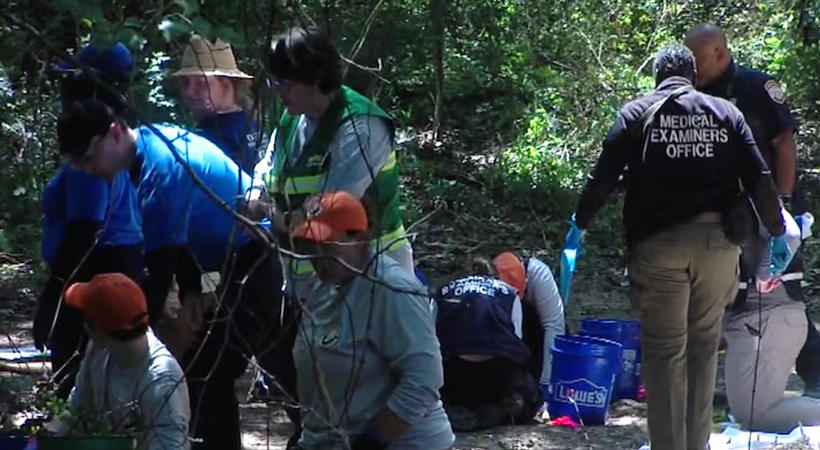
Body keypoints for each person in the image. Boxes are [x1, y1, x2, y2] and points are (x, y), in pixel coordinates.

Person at [563, 44, 790, 450]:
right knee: (703, 349)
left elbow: (602, 182)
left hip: (658, 248)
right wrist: (777, 232)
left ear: (656, 77)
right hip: (717, 247)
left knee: (665, 354)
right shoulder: (726, 113)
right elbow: (759, 178)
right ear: (694, 76)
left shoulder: (635, 113)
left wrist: (578, 226)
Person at [55, 98, 288, 450]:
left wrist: (141, 342)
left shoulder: (159, 169)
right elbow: (180, 241)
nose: (87, 170)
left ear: (115, 133)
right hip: (225, 262)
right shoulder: (148, 149)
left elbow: (160, 270)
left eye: (89, 158)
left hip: (254, 258)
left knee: (209, 374)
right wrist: (193, 294)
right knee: (205, 372)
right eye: (78, 164)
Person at [684, 24, 820, 398]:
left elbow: (784, 143)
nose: (692, 70)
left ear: (719, 53)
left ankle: (815, 369)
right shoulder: (692, 95)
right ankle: (721, 382)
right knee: (724, 293)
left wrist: (783, 205)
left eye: (697, 61)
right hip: (723, 211)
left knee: (780, 291)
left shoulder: (758, 88)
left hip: (768, 206)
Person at [245, 25, 415, 303]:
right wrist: (254, 195)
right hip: (310, 283)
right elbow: (266, 168)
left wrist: (271, 214)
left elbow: (327, 208)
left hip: (372, 280)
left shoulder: (361, 126)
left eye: (286, 83)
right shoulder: (292, 119)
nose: (278, 92)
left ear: (315, 78)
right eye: (274, 82)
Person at [290, 190, 454, 450]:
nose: (316, 255)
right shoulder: (322, 288)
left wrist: (373, 442)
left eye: (327, 244)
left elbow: (424, 379)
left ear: (359, 239)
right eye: (310, 244)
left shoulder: (392, 289)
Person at [33, 41, 146, 400]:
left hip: (97, 270)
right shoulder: (113, 140)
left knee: (80, 379)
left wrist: (53, 300)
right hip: (112, 266)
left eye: (71, 82)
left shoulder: (94, 151)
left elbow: (85, 230)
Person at [43, 273, 190, 449]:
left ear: (97, 330)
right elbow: (76, 409)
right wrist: (46, 438)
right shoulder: (98, 350)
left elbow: (171, 445)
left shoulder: (161, 381)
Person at [723, 207, 820, 433]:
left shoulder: (746, 196)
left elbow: (790, 234)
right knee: (747, 412)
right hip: (756, 320)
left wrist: (766, 272)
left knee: (756, 415)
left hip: (766, 318)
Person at [433, 271, 542, 432]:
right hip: (498, 376)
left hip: (453, 373)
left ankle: (449, 408)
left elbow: (429, 338)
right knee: (532, 396)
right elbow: (517, 342)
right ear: (493, 276)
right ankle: (497, 411)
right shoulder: (509, 293)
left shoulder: (442, 291)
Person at [472, 252, 565, 398]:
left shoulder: (538, 274)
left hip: (537, 330)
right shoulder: (484, 283)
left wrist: (547, 383)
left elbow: (554, 326)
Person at [172, 34, 267, 173]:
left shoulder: (214, 136)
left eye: (201, 83)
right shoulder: (251, 122)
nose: (189, 92)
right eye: (185, 82)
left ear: (226, 83)